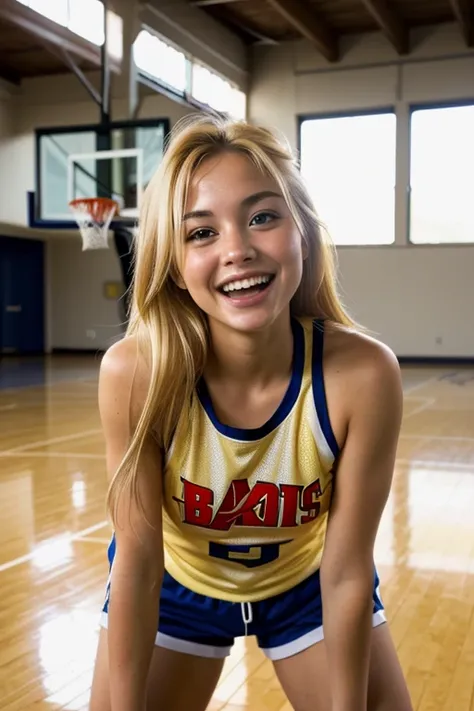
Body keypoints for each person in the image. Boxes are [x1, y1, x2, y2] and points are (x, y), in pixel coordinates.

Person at [89, 113, 413, 711]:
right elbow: (135, 561)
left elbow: (346, 572)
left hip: (307, 584)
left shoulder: (363, 374)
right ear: (175, 266)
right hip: (176, 587)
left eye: (263, 217)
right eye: (201, 233)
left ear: (303, 234)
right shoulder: (136, 373)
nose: (238, 249)